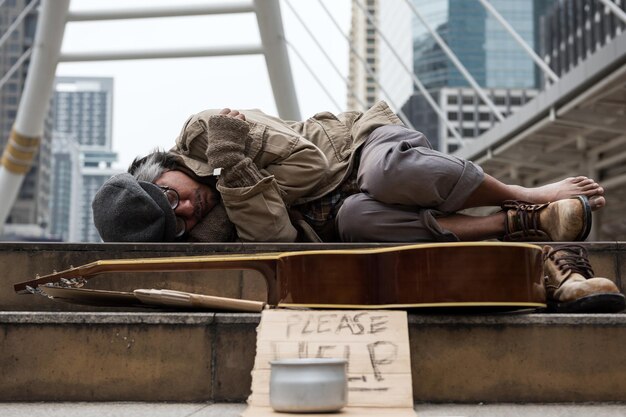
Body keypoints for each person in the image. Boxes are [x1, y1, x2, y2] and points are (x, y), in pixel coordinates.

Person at [92, 101, 623, 313]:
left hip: (356, 149)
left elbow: (313, 168)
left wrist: (231, 161)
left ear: (159, 167)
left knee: (393, 173)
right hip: (343, 216)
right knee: (359, 222)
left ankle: (530, 197)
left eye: (169, 197)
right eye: (174, 224)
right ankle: (528, 231)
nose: (185, 210)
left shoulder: (208, 131)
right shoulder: (210, 230)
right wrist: (239, 173)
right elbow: (280, 243)